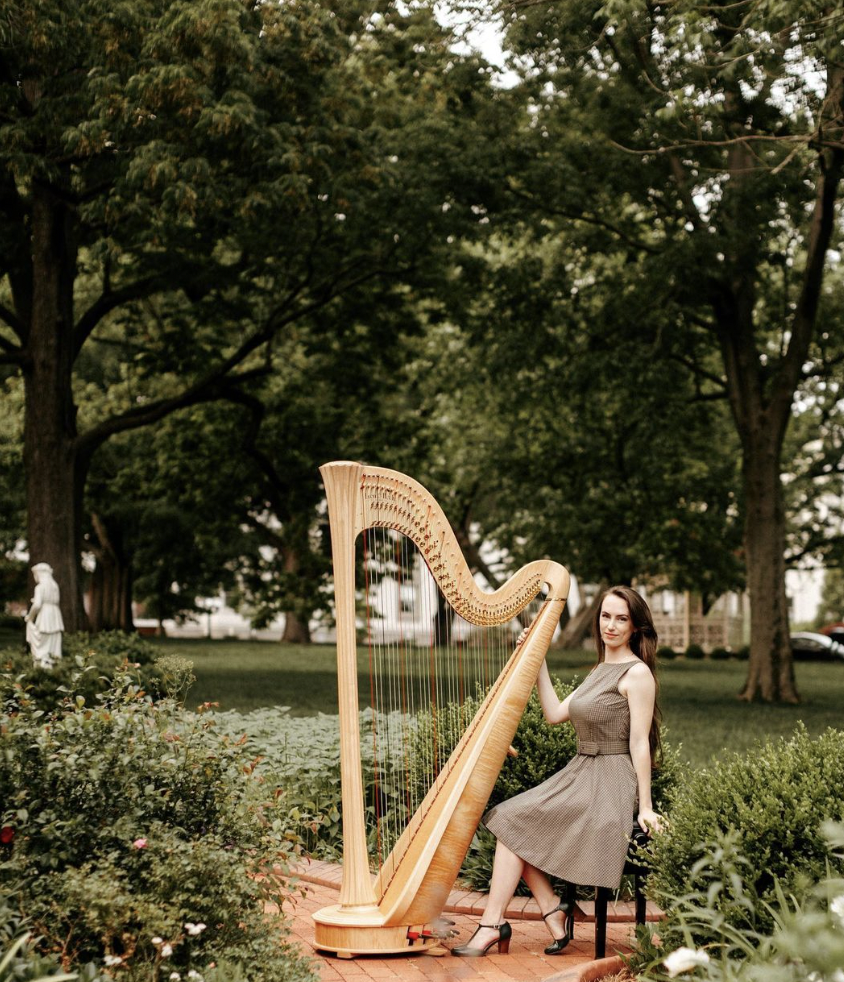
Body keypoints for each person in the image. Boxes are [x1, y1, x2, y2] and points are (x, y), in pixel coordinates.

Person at [452, 585, 663, 957]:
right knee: (509, 819)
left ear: (635, 627)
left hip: (611, 780)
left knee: (513, 823)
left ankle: (494, 925)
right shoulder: (600, 669)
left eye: (621, 619)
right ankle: (549, 909)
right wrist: (538, 659)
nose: (610, 625)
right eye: (605, 616)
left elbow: (639, 744)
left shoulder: (637, 674)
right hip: (581, 771)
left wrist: (644, 806)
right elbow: (553, 714)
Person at [24, 562, 65, 670]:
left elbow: (37, 605)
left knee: (42, 646)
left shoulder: (40, 587)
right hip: (55, 616)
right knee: (53, 646)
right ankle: (53, 668)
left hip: (45, 617)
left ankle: (42, 670)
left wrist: (30, 617)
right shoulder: (55, 587)